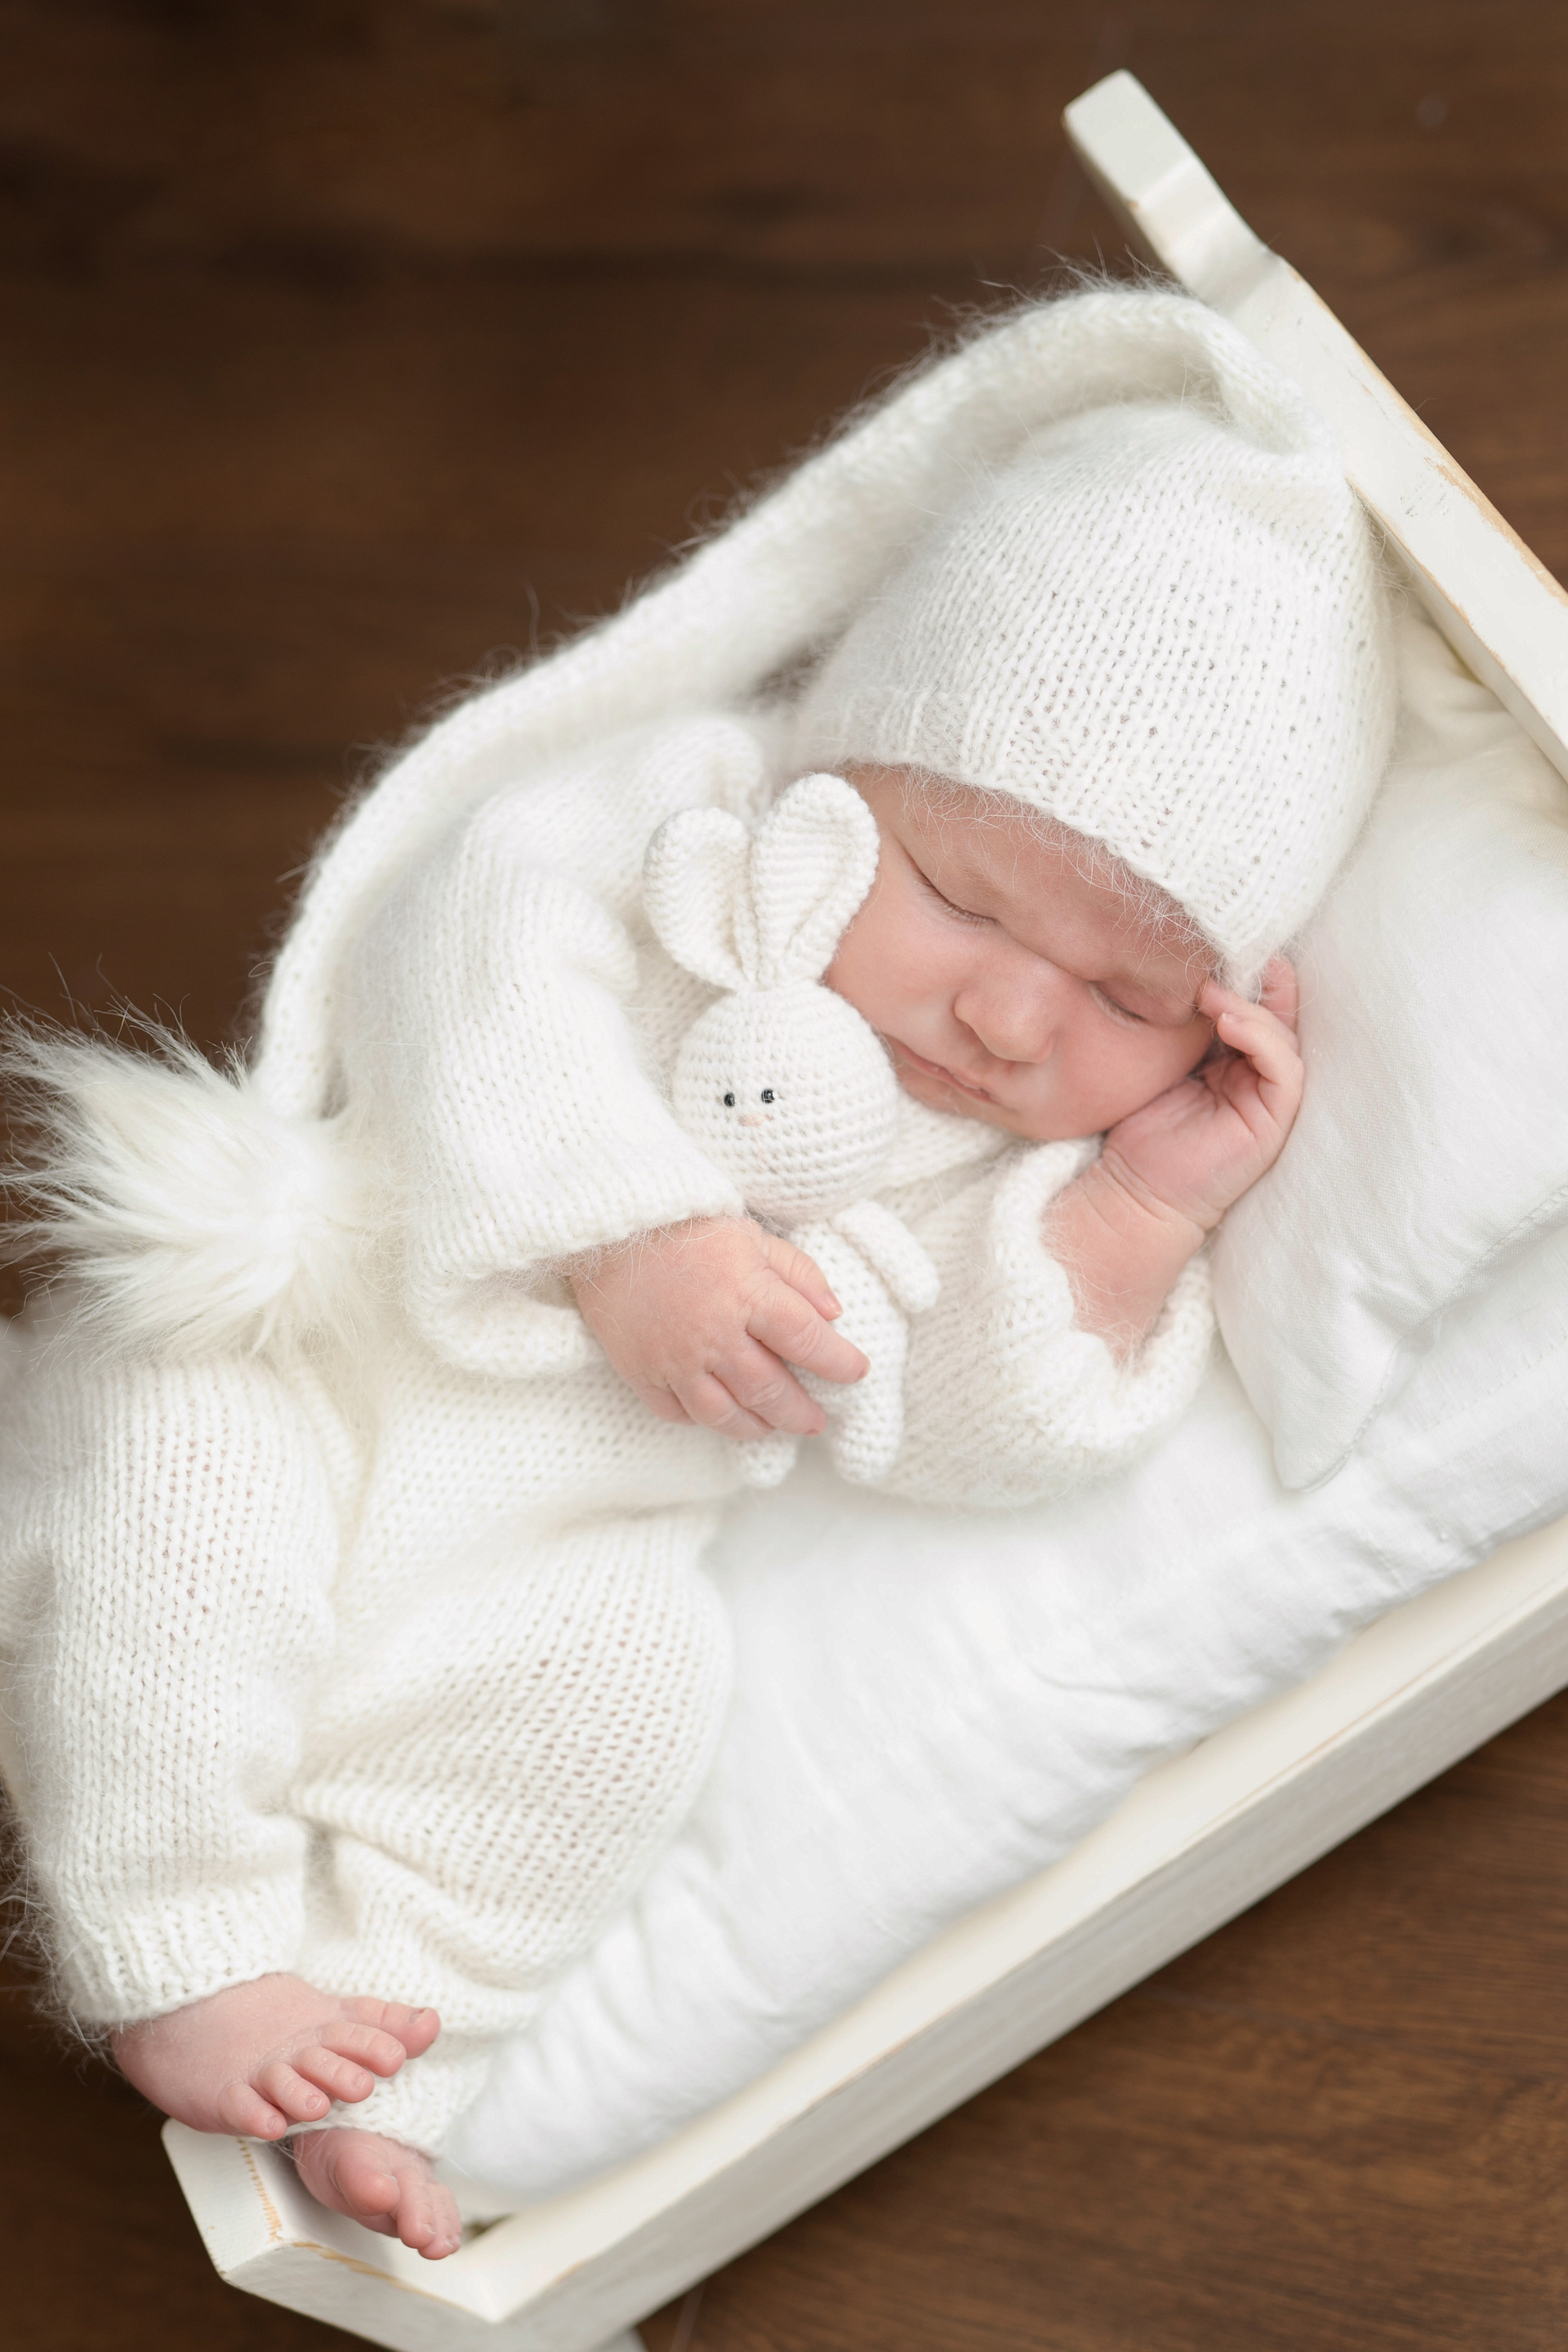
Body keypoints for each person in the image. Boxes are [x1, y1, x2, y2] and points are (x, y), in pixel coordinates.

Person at [0, 287, 1394, 2261]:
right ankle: (188, 1943)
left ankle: (388, 2054)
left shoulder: (999, 1160)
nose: (1010, 1018)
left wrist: (1138, 1214)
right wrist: (628, 1232)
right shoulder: (681, 822)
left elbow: (959, 1425)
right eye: (966, 898)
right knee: (180, 1486)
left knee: (628, 1705)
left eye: (1125, 1000)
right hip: (319, 1349)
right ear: (848, 765)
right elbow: (467, 945)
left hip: (557, 1548)